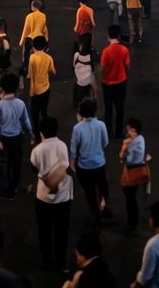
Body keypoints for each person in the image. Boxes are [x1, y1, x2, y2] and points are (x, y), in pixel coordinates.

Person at [32, 116, 75, 269]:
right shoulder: (62, 145)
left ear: (41, 132)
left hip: (43, 197)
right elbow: (65, 166)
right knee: (61, 230)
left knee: (44, 230)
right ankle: (61, 261)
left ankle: (47, 261)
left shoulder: (37, 149)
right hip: (63, 196)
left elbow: (35, 165)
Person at [0, 70, 33, 199]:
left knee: (3, 165)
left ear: (1, 89)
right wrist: (30, 134)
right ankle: (14, 187)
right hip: (17, 138)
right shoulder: (20, 104)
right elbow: (26, 121)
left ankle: (5, 191)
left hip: (3, 139)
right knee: (16, 163)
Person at [70, 96, 112, 225]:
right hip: (99, 163)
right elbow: (105, 142)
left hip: (84, 166)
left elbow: (73, 149)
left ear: (81, 112)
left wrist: (72, 163)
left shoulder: (77, 128)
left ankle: (94, 212)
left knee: (89, 190)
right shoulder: (101, 125)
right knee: (102, 185)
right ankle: (103, 203)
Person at [119, 117, 150, 233]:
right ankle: (133, 223)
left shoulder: (133, 143)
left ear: (135, 130)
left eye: (130, 131)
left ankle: (132, 225)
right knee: (132, 199)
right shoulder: (141, 139)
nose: (128, 132)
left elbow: (126, 159)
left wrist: (124, 149)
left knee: (130, 200)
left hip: (132, 174)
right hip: (138, 172)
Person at [100, 24, 132, 134]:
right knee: (120, 108)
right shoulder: (124, 50)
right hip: (121, 81)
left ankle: (108, 131)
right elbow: (127, 65)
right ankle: (119, 131)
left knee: (108, 109)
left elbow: (103, 66)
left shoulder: (106, 51)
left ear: (108, 36)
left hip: (108, 82)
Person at [27, 35, 58, 127]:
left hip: (36, 90)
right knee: (44, 107)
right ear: (44, 46)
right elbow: (53, 71)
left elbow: (30, 74)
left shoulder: (32, 57)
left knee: (34, 111)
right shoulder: (48, 57)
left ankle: (36, 129)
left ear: (33, 47)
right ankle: (45, 118)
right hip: (46, 87)